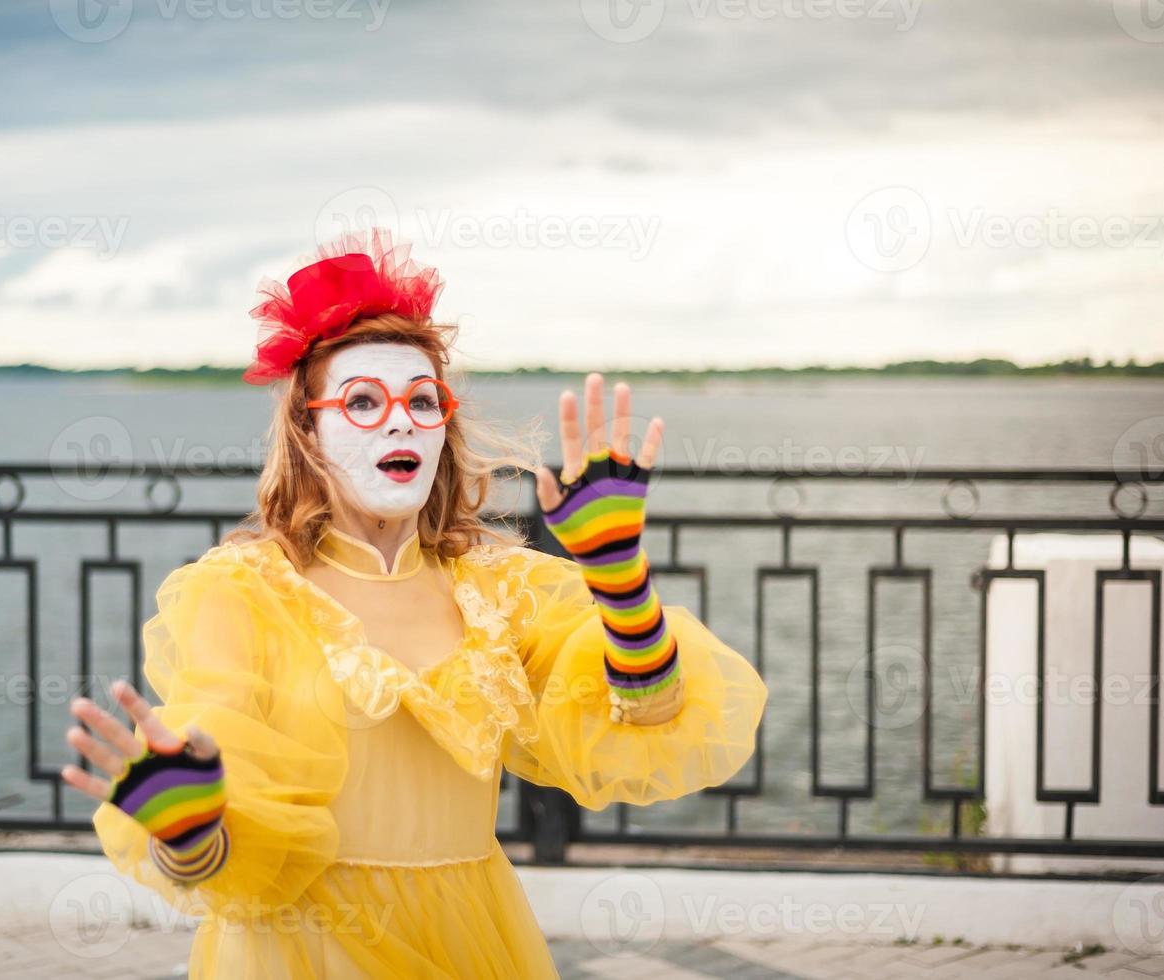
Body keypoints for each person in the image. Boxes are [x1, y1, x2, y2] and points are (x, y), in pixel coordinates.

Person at [60, 229, 767, 978]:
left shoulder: (499, 590)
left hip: (473, 937)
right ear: (308, 429)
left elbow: (648, 717)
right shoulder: (242, 594)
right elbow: (222, 858)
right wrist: (189, 830)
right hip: (302, 948)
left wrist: (619, 577)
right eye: (362, 401)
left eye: (421, 400)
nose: (399, 420)